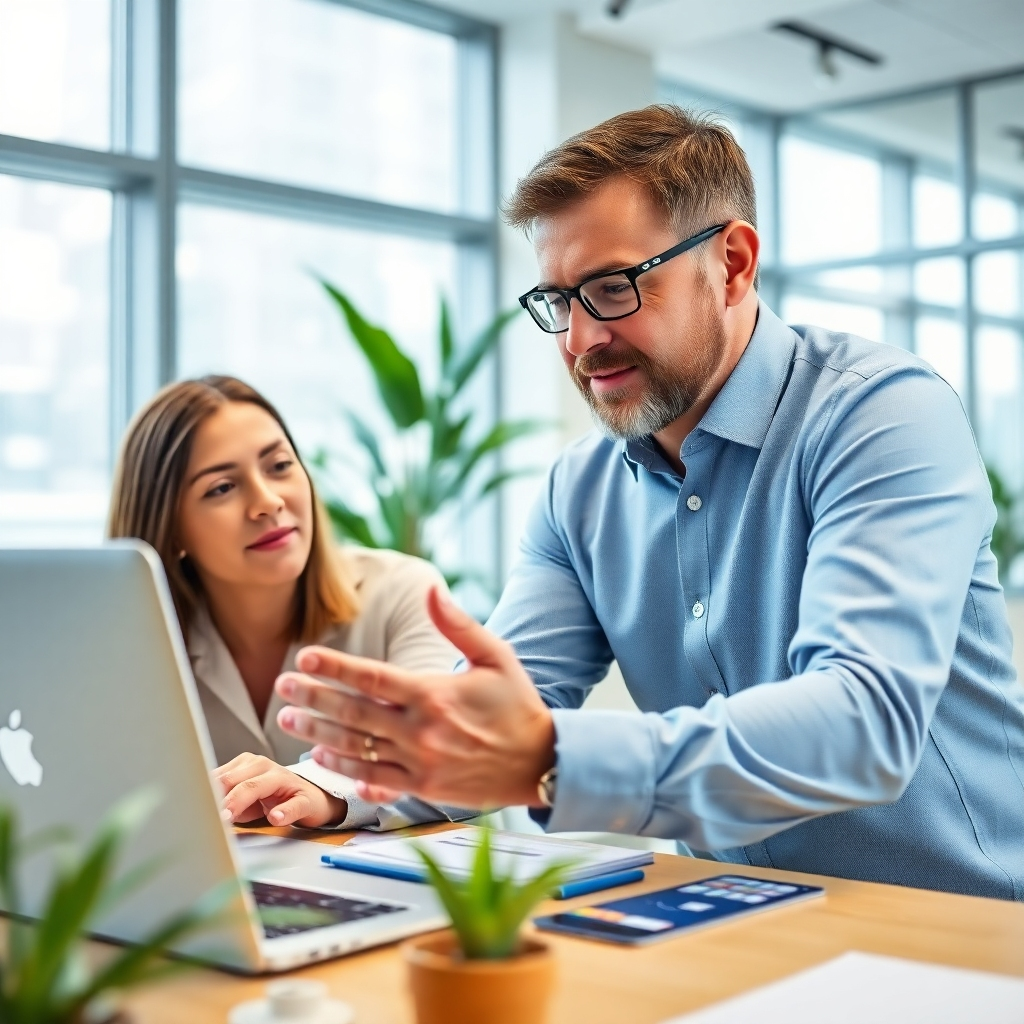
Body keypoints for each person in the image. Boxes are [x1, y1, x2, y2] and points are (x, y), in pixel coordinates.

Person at [273, 106, 1024, 898]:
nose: (579, 340)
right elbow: (493, 724)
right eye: (558, 301)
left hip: (971, 929)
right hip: (744, 918)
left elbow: (860, 726)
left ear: (732, 263)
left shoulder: (881, 415)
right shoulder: (580, 492)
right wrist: (336, 786)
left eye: (612, 287)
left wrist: (549, 758)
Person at [107, 374, 464, 831]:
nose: (268, 501)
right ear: (171, 528)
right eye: (221, 488)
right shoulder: (134, 638)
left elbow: (456, 763)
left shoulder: (402, 591)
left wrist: (324, 791)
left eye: (279, 466)